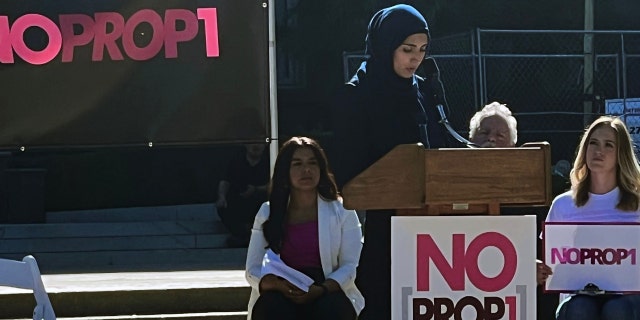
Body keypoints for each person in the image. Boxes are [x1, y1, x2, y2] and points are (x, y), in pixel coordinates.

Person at [330, 4, 453, 319]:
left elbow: (443, 145)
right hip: (382, 228)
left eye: (423, 50)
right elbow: (348, 169)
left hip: (434, 227)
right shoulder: (357, 95)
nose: (416, 58)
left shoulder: (425, 91)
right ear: (386, 46)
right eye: (407, 49)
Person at [245, 137, 364, 320]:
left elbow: (351, 265)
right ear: (285, 172)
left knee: (332, 309)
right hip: (282, 288)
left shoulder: (342, 210)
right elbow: (252, 269)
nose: (306, 170)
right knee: (271, 307)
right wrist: (276, 285)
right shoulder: (267, 212)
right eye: (297, 164)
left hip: (326, 288)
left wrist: (321, 289)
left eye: (312, 163)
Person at [544, 116, 640, 320]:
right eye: (593, 143)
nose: (599, 151)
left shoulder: (637, 205)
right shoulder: (562, 205)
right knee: (581, 308)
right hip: (577, 297)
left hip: (628, 299)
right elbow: (550, 262)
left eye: (608, 145)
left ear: (620, 154)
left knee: (617, 310)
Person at [215, 143, 270, 247]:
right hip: (238, 201)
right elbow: (225, 181)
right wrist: (221, 197)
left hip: (260, 201)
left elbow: (275, 184)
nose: (255, 145)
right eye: (252, 142)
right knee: (224, 208)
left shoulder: (269, 161)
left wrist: (256, 189)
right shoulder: (236, 161)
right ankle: (244, 235)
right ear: (246, 145)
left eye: (258, 142)